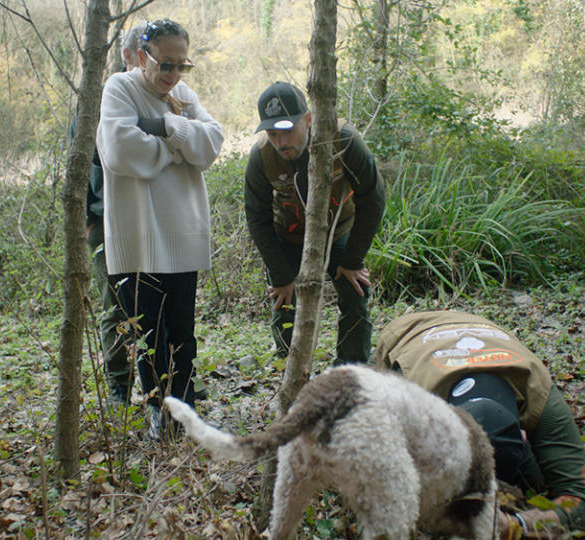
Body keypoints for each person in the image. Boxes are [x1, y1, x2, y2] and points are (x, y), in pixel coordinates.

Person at [96, 18, 223, 439]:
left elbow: (212, 143)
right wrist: (178, 148)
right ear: (142, 55)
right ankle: (158, 410)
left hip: (182, 234)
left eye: (180, 66)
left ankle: (184, 408)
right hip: (140, 237)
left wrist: (169, 127)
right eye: (164, 64)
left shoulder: (181, 97)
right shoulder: (120, 89)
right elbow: (119, 149)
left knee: (183, 331)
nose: (172, 76)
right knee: (151, 331)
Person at [373, 310, 585, 538]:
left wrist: (515, 525)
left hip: (481, 328)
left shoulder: (539, 396)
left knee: (532, 479)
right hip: (408, 331)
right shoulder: (408, 403)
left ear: (524, 436)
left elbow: (584, 500)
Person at [244, 82, 385, 365]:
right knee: (284, 302)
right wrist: (283, 277)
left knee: (355, 293)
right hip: (289, 236)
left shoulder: (342, 139)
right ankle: (290, 368)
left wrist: (353, 259)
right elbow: (257, 218)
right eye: (273, 134)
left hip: (338, 231)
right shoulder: (262, 156)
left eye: (287, 131)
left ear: (308, 120)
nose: (281, 142)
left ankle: (351, 368)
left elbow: (373, 199)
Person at [84, 23, 146, 405]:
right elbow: (88, 163)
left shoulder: (159, 97)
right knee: (118, 303)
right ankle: (119, 386)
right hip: (107, 218)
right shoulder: (105, 98)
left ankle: (161, 381)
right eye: (143, 51)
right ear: (127, 56)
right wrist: (91, 218)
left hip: (150, 218)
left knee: (153, 300)